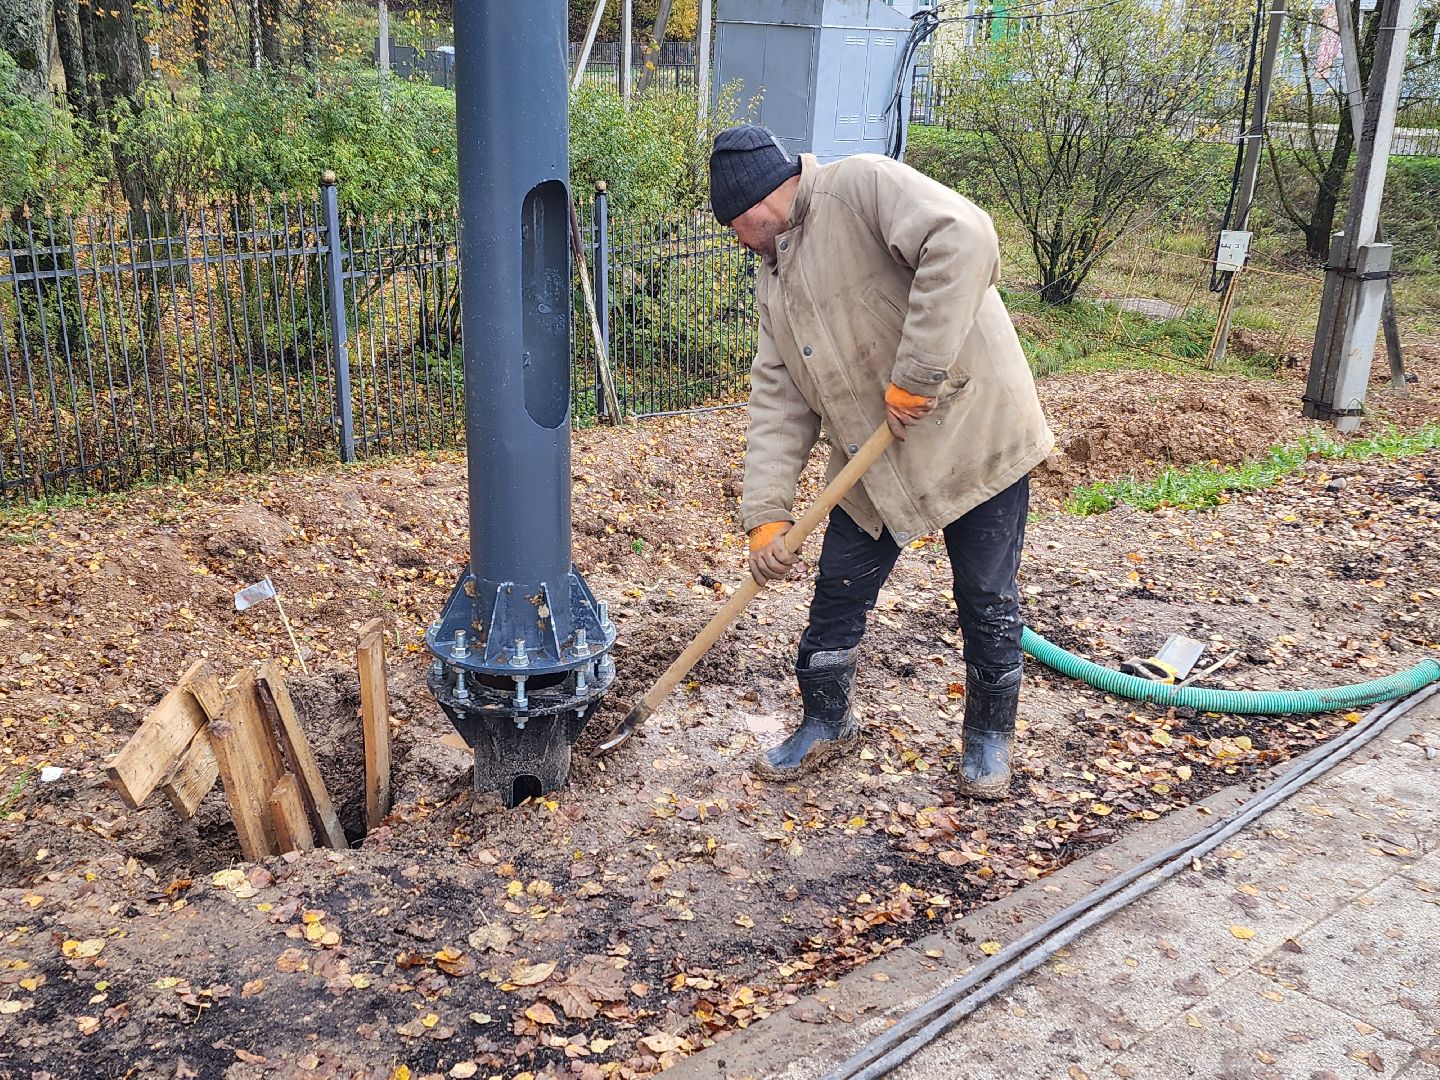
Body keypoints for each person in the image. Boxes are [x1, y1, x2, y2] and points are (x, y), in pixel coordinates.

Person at [708, 124, 1054, 799]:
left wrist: (918, 373)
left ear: (759, 201)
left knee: (985, 594)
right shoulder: (772, 274)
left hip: (966, 426)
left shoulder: (859, 186)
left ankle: (988, 737)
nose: (737, 241)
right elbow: (778, 398)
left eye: (736, 226)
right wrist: (767, 515)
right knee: (838, 588)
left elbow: (966, 238)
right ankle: (825, 722)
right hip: (876, 460)